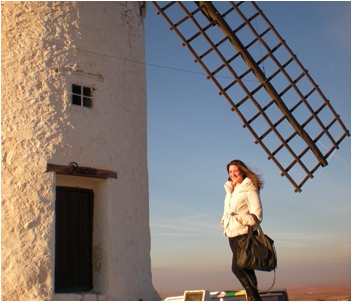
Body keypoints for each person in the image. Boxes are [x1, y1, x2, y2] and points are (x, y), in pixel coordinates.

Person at [220, 159, 264, 301]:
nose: (233, 174)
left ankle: (255, 298)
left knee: (237, 268)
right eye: (230, 172)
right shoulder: (231, 190)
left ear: (242, 171)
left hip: (244, 234)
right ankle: (252, 298)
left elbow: (257, 215)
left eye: (235, 171)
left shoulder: (249, 189)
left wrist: (241, 219)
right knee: (246, 269)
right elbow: (228, 209)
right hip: (232, 234)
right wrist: (224, 221)